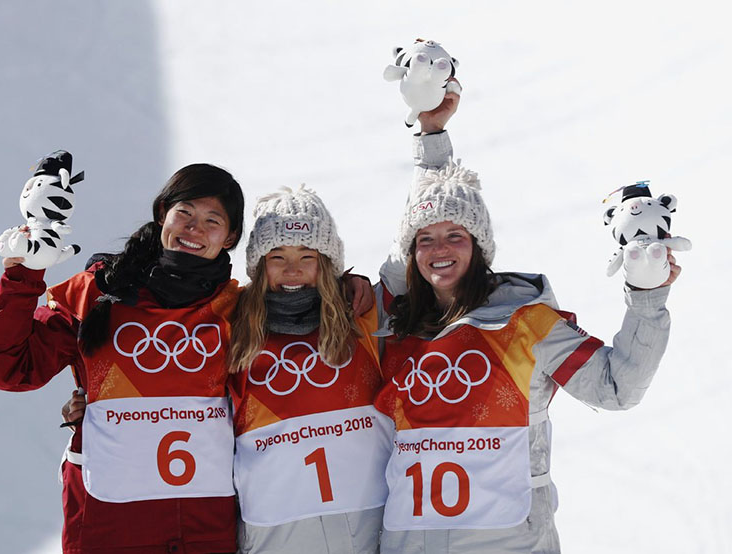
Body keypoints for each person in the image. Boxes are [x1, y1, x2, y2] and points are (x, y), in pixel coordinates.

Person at [372, 90, 679, 553]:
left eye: (456, 236)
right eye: (425, 241)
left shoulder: (527, 323)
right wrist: (431, 135)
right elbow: (424, 213)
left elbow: (617, 388)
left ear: (479, 247)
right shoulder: (394, 325)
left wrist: (647, 297)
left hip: (510, 542)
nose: (439, 250)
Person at [0, 163, 246, 554]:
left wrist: (354, 288)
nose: (194, 229)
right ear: (163, 213)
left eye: (212, 220)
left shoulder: (240, 311)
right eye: (184, 213)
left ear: (230, 236)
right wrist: (26, 273)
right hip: (109, 524)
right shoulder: (97, 293)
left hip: (203, 526)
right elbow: (8, 368)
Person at [226, 185, 392, 553]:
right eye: (277, 257)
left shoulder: (363, 317)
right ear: (258, 265)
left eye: (307, 256)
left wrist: (431, 145)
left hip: (364, 527)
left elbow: (421, 254)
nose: (292, 270)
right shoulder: (235, 329)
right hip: (273, 532)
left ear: (327, 263)